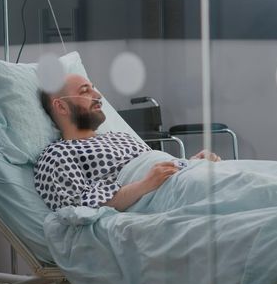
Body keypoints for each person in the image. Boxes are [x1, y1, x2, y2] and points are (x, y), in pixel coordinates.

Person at [34, 73, 220, 212]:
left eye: (94, 87)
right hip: (160, 194)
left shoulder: (119, 136)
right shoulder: (57, 154)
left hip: (182, 177)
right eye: (85, 91)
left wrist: (193, 162)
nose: (98, 95)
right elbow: (76, 208)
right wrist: (145, 185)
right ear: (61, 106)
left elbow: (159, 170)